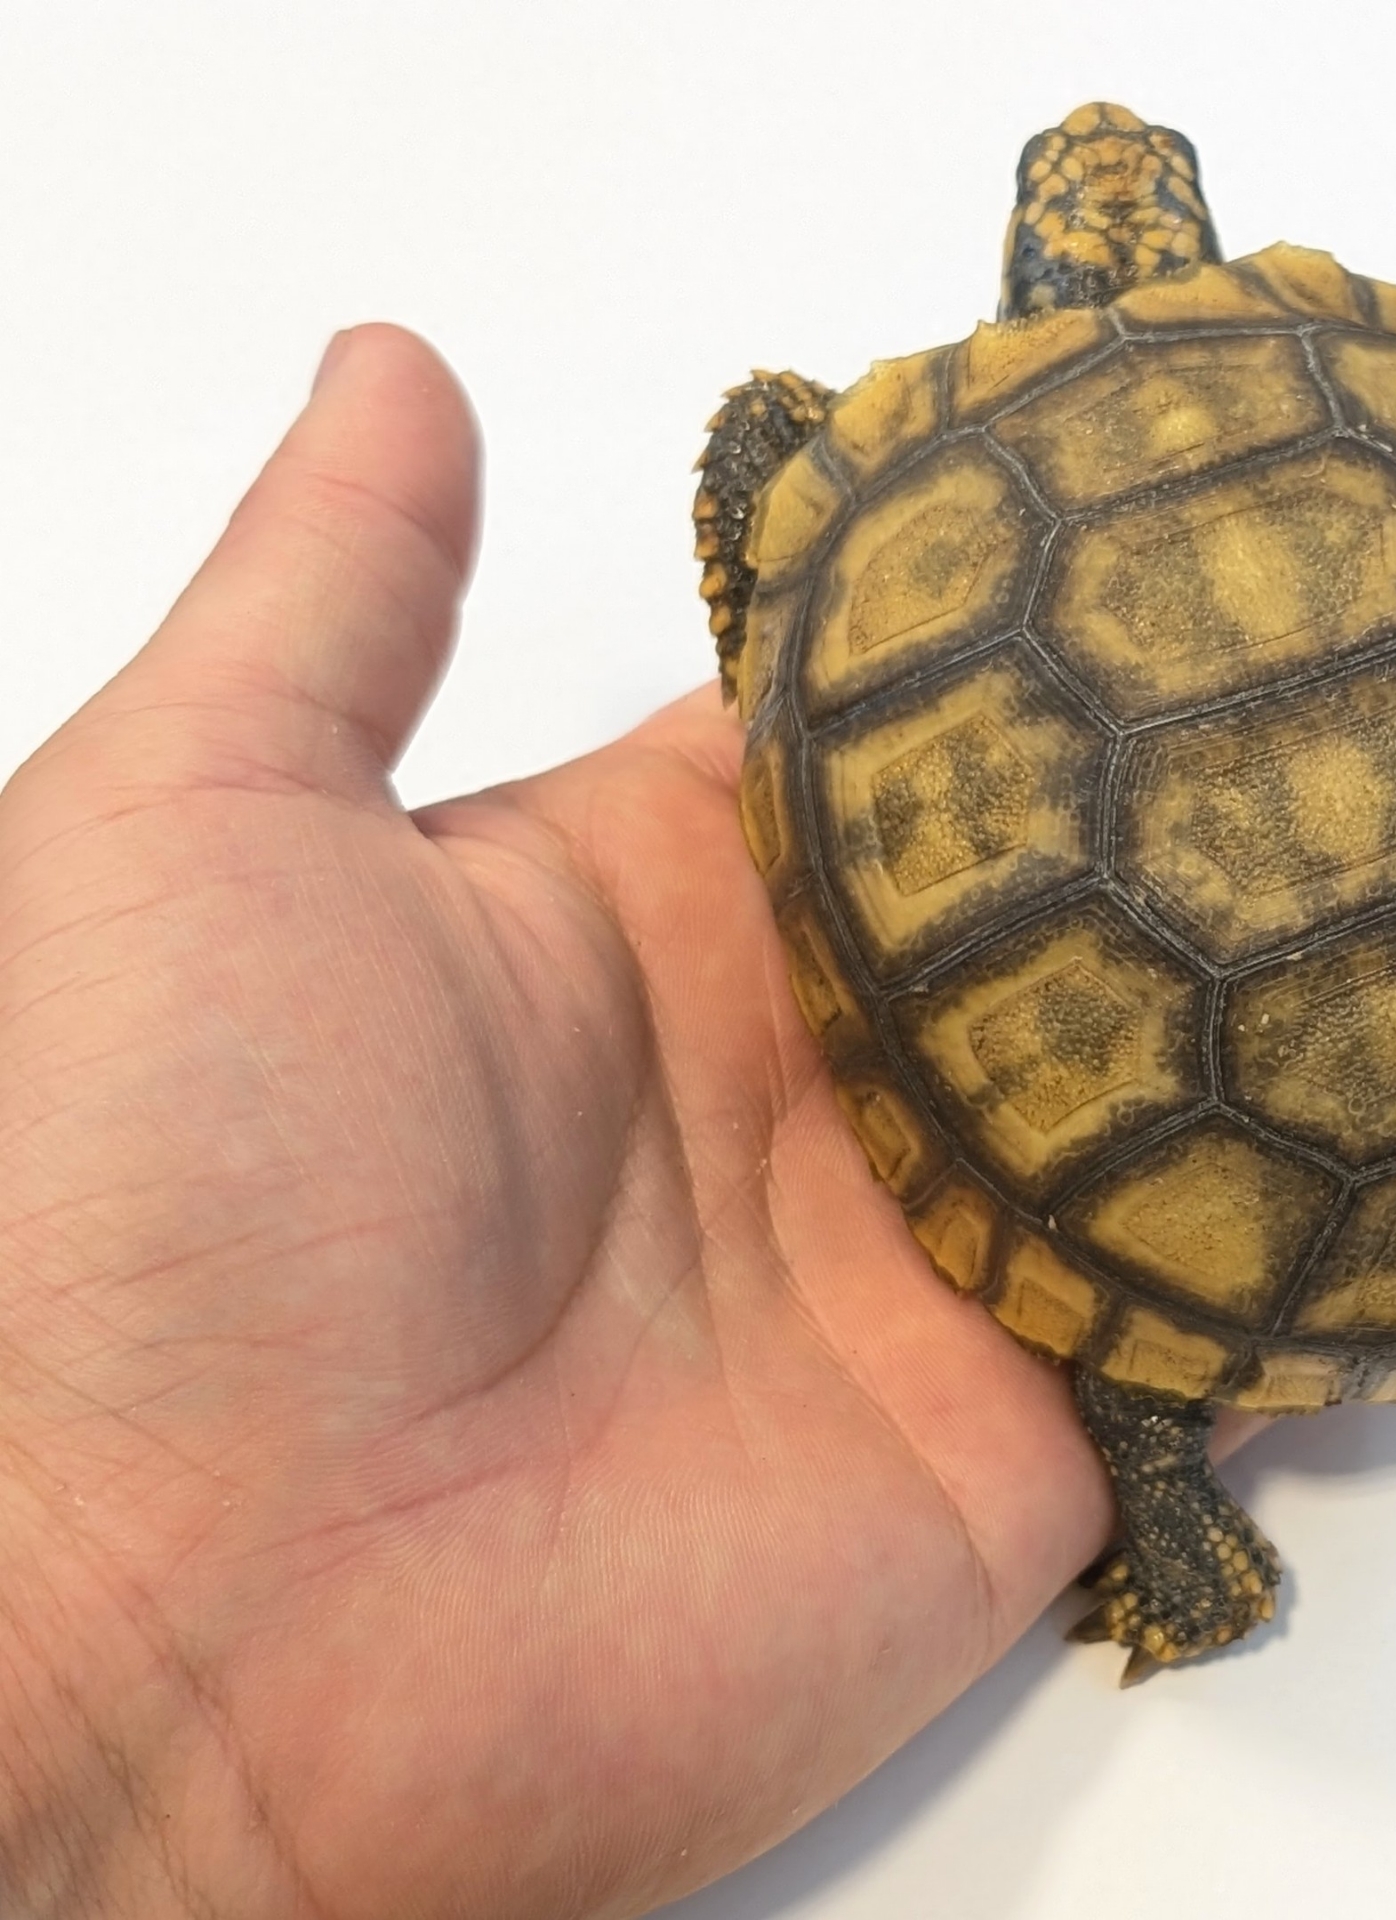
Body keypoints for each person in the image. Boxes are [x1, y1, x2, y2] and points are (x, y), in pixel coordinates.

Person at [0, 325, 1247, 1916]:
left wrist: (78, 1677)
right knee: (1142, 1327)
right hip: (1175, 1104)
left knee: (772, 424)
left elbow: (770, 448)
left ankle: (1171, 1479)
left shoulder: (899, 468)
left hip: (974, 948)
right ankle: (1177, 1485)